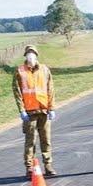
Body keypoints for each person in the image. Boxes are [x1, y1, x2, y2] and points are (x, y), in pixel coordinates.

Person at [13, 45, 57, 178]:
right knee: (30, 141)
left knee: (46, 140)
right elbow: (17, 92)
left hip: (43, 110)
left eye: (32, 53)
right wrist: (21, 110)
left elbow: (50, 89)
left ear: (37, 55)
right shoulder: (20, 71)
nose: (30, 56)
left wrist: (52, 107)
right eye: (28, 54)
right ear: (25, 56)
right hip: (29, 112)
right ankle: (29, 167)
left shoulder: (44, 70)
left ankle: (48, 165)